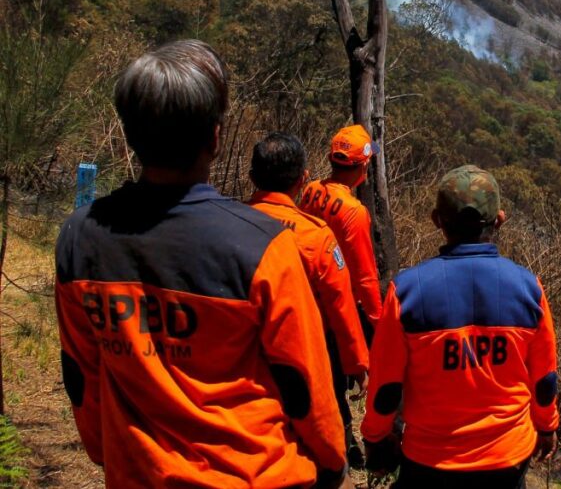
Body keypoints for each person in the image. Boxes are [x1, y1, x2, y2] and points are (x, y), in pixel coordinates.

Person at [55, 40, 353, 489]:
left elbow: (82, 374)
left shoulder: (80, 240)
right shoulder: (262, 246)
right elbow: (303, 380)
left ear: (131, 135)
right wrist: (332, 459)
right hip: (253, 474)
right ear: (214, 138)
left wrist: (108, 451)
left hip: (137, 472)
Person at [361, 165, 560, 488]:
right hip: (507, 458)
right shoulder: (528, 289)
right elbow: (544, 377)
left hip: (431, 459)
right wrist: (547, 425)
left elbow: (386, 383)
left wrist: (375, 435)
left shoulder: (409, 292)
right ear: (499, 220)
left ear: (437, 220)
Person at [247, 133, 370, 412]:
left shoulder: (230, 219)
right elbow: (341, 307)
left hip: (243, 347)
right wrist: (358, 363)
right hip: (306, 344)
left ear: (253, 178)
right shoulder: (316, 237)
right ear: (302, 178)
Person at [299, 124, 384, 467]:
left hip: (307, 294)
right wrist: (379, 322)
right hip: (337, 302)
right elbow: (365, 275)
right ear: (363, 167)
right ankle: (347, 442)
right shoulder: (354, 212)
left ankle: (339, 434)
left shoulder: (310, 190)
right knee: (338, 374)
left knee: (325, 375)